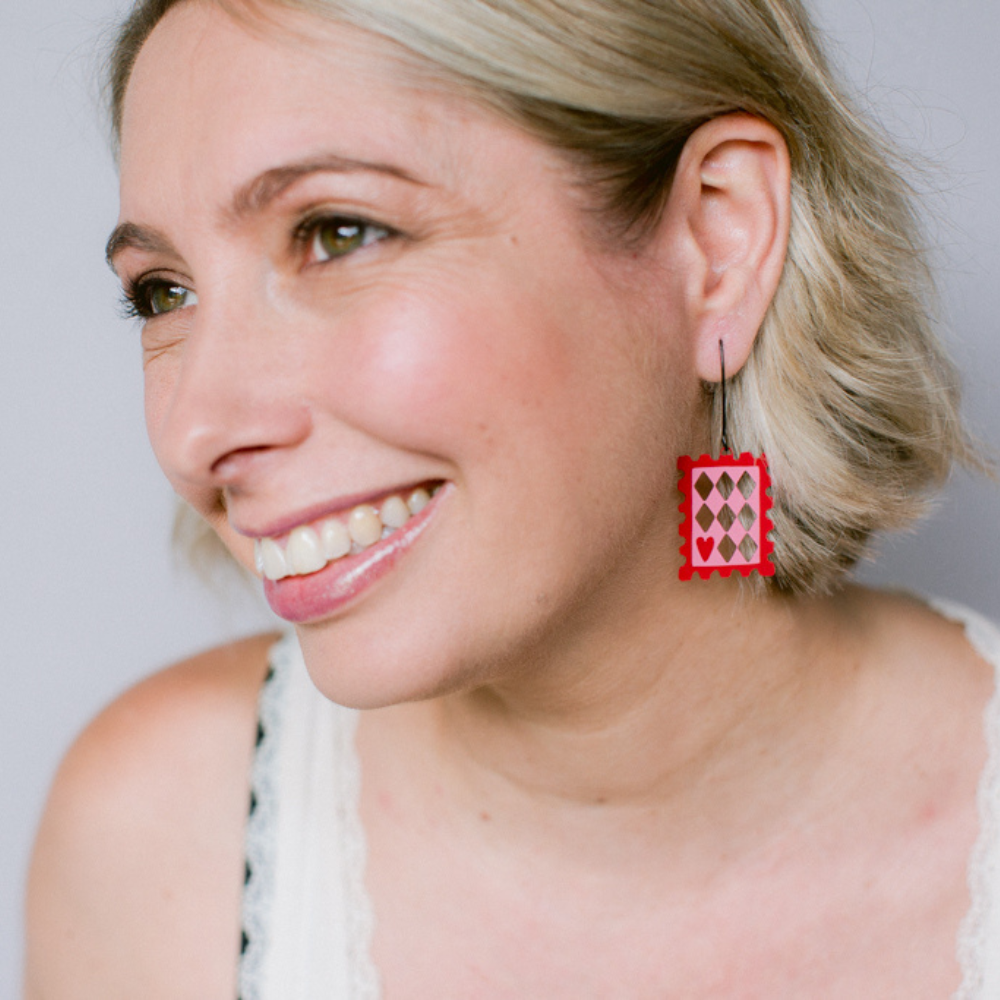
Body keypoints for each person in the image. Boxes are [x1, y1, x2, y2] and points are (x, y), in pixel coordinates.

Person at [23, 0, 1000, 995]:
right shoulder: (158, 839)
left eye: (338, 233)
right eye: (163, 293)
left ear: (718, 239)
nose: (198, 432)